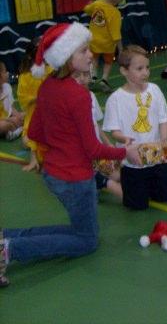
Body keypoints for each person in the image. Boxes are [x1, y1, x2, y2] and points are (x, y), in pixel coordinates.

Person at [0, 23, 141, 287]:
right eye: (84, 50)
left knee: (80, 232)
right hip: (75, 178)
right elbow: (94, 149)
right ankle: (10, 250)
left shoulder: (47, 86)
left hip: (53, 173)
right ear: (66, 57)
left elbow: (37, 132)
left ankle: (7, 238)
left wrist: (62, 142)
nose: (90, 55)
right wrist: (126, 152)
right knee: (87, 241)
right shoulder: (78, 95)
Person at [103, 45, 167, 211]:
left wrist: (163, 140)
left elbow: (164, 119)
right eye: (139, 69)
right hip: (133, 162)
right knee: (137, 206)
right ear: (124, 71)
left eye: (147, 68)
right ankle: (109, 181)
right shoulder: (116, 99)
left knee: (165, 197)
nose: (146, 73)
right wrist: (124, 139)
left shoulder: (154, 90)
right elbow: (114, 131)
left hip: (157, 156)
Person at [76, 70, 123, 200]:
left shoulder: (91, 95)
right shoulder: (69, 101)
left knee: (117, 175)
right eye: (77, 75)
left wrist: (108, 144)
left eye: (85, 75)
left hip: (96, 151)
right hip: (81, 155)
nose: (82, 78)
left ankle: (95, 178)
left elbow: (96, 125)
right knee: (112, 179)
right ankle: (94, 181)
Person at [83, 0, 124, 92]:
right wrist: (120, 49)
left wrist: (89, 4)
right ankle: (104, 79)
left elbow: (86, 9)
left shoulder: (97, 4)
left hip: (94, 41)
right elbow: (116, 35)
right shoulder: (115, 13)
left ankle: (92, 77)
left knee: (94, 60)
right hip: (107, 44)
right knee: (108, 62)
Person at [16, 38, 49, 171]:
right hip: (34, 117)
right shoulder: (26, 76)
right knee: (28, 141)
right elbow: (23, 99)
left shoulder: (51, 69)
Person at [0, 61, 24, 141]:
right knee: (3, 125)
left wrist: (18, 116)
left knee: (26, 115)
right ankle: (17, 130)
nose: (7, 73)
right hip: (3, 121)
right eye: (4, 71)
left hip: (7, 118)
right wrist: (10, 120)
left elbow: (10, 108)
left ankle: (13, 130)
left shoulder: (7, 87)